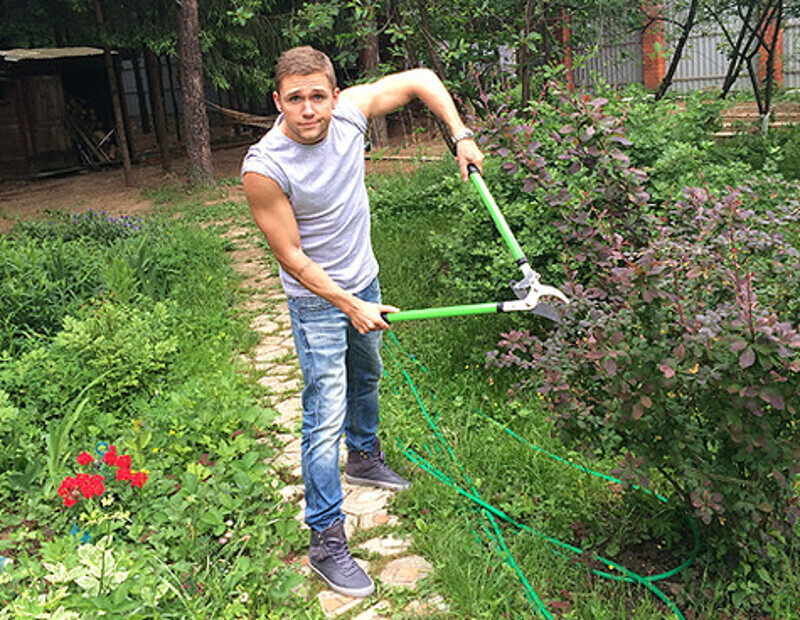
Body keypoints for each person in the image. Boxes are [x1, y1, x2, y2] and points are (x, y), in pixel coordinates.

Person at [241, 46, 484, 598]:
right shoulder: (264, 168)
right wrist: (348, 304)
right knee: (322, 417)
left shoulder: (351, 114)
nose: (308, 110)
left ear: (334, 95)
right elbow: (292, 257)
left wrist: (460, 135)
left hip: (364, 284)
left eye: (318, 97)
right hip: (316, 300)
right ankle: (326, 540)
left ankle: (366, 457)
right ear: (278, 101)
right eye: (295, 99)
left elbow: (422, 76)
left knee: (368, 375)